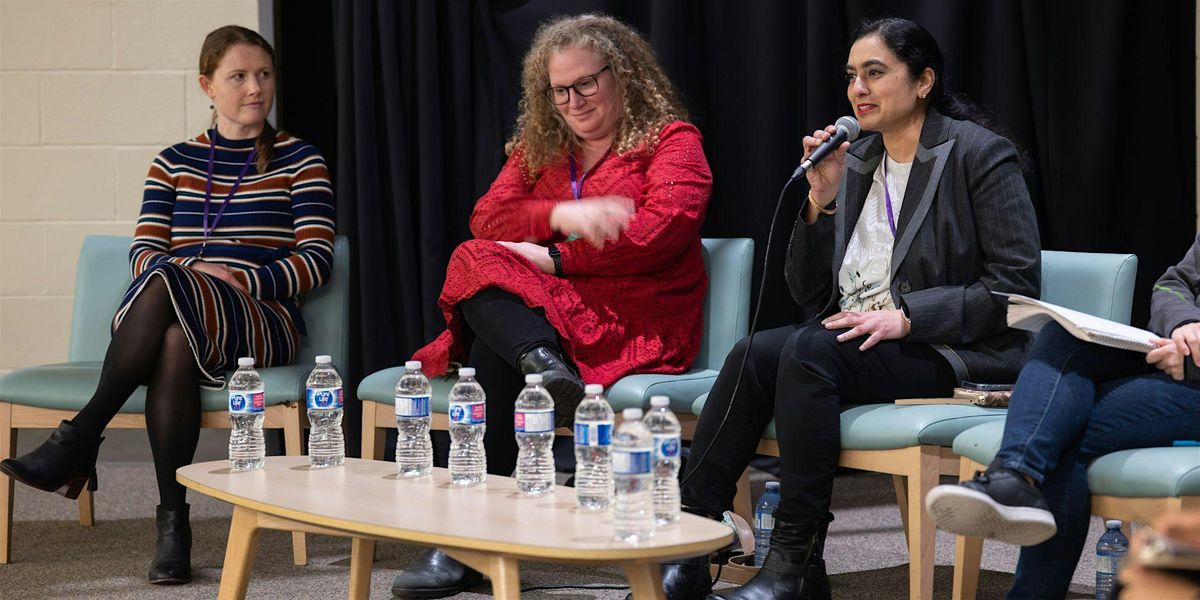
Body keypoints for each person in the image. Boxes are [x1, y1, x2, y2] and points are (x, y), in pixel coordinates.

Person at [657, 17, 1042, 600]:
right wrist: (824, 200)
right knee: (754, 352)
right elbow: (813, 294)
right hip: (858, 340)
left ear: (923, 82)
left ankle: (796, 562)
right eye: (851, 76)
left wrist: (909, 317)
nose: (857, 89)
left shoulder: (978, 155)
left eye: (875, 73)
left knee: (809, 351)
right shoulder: (858, 159)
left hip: (953, 349)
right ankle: (691, 538)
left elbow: (1012, 288)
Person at [0, 26, 336, 585]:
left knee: (168, 286)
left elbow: (317, 260)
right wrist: (192, 276)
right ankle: (172, 526)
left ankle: (81, 439)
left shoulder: (300, 160)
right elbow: (143, 255)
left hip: (261, 320)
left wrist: (239, 278)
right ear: (208, 85)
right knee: (174, 327)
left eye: (264, 75)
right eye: (238, 77)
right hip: (174, 313)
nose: (255, 88)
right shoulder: (173, 162)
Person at [396, 13, 712, 599]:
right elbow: (488, 219)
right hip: (552, 311)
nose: (574, 101)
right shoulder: (545, 149)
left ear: (622, 74)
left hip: (639, 311)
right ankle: (539, 361)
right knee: (473, 257)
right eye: (559, 91)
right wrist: (557, 217)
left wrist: (560, 260)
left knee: (491, 341)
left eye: (586, 84)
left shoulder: (672, 141)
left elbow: (662, 230)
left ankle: (470, 541)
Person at [927, 235, 1200, 599]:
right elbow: (1174, 283)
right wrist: (1183, 323)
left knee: (1062, 428)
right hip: (1174, 357)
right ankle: (1013, 475)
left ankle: (1015, 478)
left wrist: (1193, 361)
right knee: (1060, 336)